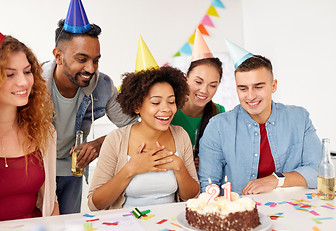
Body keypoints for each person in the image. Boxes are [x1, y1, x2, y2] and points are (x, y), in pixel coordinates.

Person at [42, 0, 136, 214]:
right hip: (36, 171)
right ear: (58, 56)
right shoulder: (33, 84)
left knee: (67, 229)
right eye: (82, 59)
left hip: (71, 172)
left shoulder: (102, 86)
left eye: (96, 60)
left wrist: (101, 143)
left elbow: (133, 125)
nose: (90, 68)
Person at [198, 42, 322, 195]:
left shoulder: (299, 119)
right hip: (238, 214)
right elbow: (208, 186)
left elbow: (318, 170)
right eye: (243, 88)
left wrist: (276, 179)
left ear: (273, 86)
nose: (250, 96)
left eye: (258, 87)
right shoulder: (218, 127)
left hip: (291, 210)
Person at [87, 66, 200, 210]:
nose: (166, 109)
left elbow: (193, 197)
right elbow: (94, 204)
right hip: (128, 226)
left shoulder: (180, 135)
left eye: (171, 101)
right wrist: (131, 169)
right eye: (156, 102)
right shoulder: (116, 140)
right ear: (137, 106)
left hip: (170, 226)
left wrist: (179, 167)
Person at [0, 30, 59, 219]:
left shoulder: (45, 133)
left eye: (27, 71)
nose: (23, 82)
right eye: (10, 74)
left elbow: (50, 203)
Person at [171, 29, 224, 171]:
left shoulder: (219, 113)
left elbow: (224, 155)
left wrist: (208, 161)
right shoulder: (169, 110)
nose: (204, 91)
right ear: (186, 77)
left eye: (213, 85)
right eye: (198, 82)